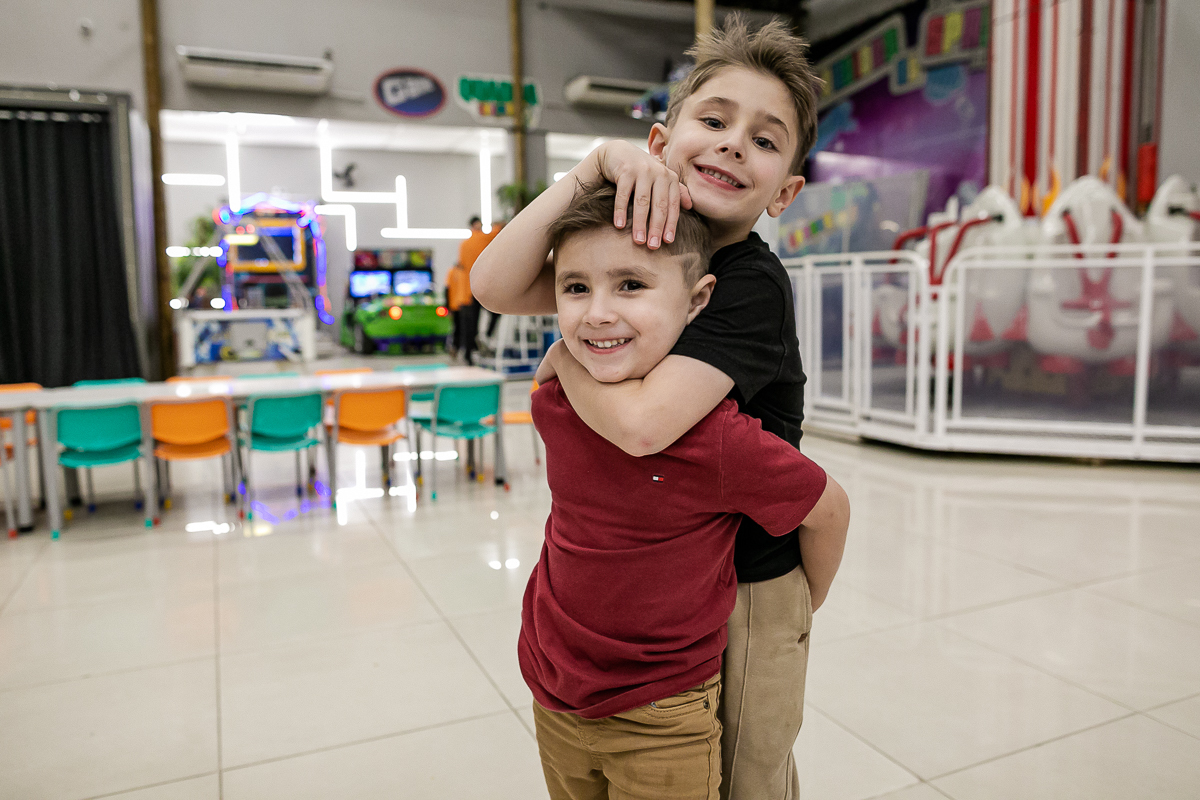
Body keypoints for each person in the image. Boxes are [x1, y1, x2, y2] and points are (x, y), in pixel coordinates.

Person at [472, 16, 824, 799]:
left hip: (745, 583)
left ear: (785, 193)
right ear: (661, 144)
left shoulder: (751, 284)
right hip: (665, 575)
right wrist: (589, 167)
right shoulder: (641, 238)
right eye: (714, 120)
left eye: (765, 141)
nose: (734, 144)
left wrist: (567, 354)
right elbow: (494, 287)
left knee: (747, 775)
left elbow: (641, 425)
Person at [522, 182, 848, 800]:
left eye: (631, 286)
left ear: (698, 301)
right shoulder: (557, 402)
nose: (597, 313)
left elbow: (826, 507)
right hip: (555, 686)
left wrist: (809, 596)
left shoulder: (716, 436)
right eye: (575, 288)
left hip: (663, 709)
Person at [457, 216, 501, 364]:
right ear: (477, 225)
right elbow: (498, 231)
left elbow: (462, 265)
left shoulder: (463, 245)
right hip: (483, 287)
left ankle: (468, 355)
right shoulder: (482, 238)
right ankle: (487, 335)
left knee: (470, 324)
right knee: (496, 311)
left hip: (467, 291)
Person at [444, 261, 472, 356]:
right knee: (457, 328)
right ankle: (456, 347)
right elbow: (447, 290)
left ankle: (460, 348)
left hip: (462, 304)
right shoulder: (452, 272)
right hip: (456, 305)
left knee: (462, 328)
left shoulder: (464, 272)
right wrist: (448, 307)